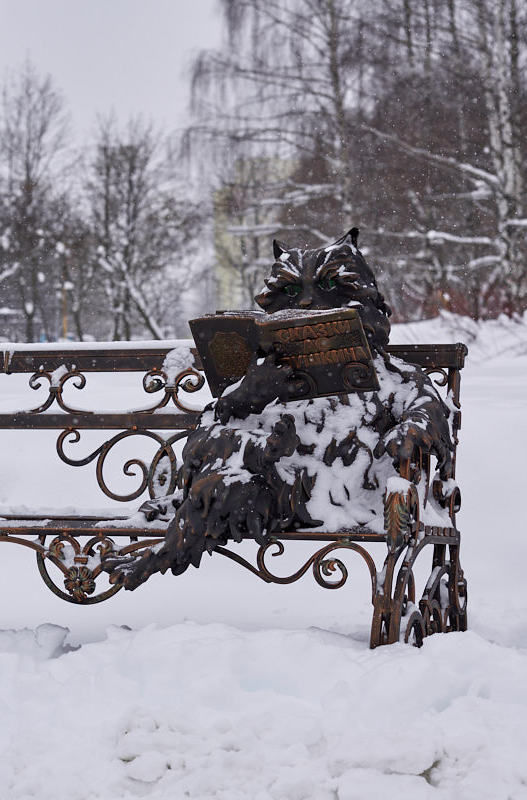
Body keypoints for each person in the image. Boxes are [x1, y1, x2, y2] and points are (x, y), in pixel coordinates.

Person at [102, 228, 454, 589]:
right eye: (290, 292)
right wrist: (248, 395)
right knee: (221, 481)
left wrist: (410, 430)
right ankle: (163, 552)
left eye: (328, 289)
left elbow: (429, 406)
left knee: (225, 480)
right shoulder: (267, 371)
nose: (304, 304)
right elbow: (210, 428)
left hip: (337, 492)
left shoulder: (391, 374)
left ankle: (159, 553)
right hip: (268, 482)